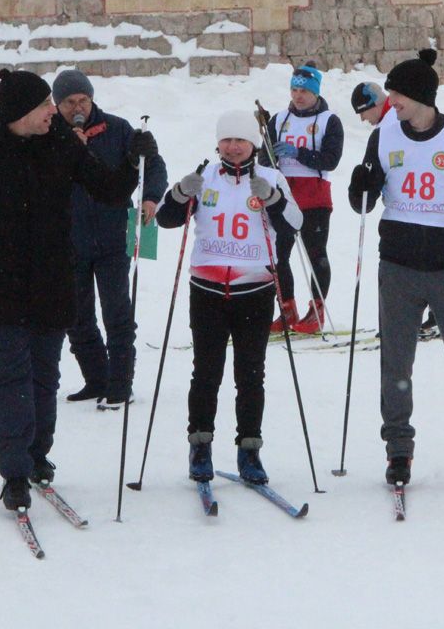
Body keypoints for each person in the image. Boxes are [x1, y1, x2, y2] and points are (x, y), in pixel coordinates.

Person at [0, 69, 156, 511]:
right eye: (45, 105)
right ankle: (15, 471)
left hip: (52, 283)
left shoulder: (61, 144)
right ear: (21, 113)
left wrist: (136, 161)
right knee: (10, 381)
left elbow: (111, 190)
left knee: (44, 378)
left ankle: (38, 456)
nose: (53, 112)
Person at [347, 49, 444, 485]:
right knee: (396, 366)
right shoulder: (384, 136)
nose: (389, 101)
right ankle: (398, 450)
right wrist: (359, 187)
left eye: (397, 95)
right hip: (397, 266)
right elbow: (366, 199)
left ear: (420, 97)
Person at [156, 109, 302, 485]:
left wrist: (272, 199)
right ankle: (200, 445)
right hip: (207, 288)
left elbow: (294, 225)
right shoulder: (204, 175)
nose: (234, 147)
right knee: (206, 371)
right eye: (227, 140)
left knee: (250, 373)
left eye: (241, 140)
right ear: (218, 143)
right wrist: (178, 193)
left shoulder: (271, 177)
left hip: (254, 289)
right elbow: (166, 219)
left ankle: (249, 450)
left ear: (254, 143)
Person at [52, 69, 168, 408]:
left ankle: (119, 384)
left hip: (112, 236)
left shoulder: (116, 129)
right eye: (70, 102)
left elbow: (152, 165)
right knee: (75, 316)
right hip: (67, 240)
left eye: (84, 100)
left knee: (117, 313)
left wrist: (150, 196)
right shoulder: (50, 134)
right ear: (58, 105)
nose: (78, 108)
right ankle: (96, 378)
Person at [262, 62, 344, 335]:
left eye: (304, 91)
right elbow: (265, 158)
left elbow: (331, 160)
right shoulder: (277, 119)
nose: (298, 96)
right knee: (278, 255)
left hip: (315, 197)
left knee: (315, 254)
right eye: (294, 89)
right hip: (284, 196)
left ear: (316, 92)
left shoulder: (329, 121)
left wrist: (298, 153)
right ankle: (287, 308)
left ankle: (316, 309)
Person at [352, 80, 438, 335]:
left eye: (362, 112)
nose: (362, 119)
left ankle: (409, 320)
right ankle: (430, 315)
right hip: (415, 199)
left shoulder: (391, 123)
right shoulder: (392, 119)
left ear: (375, 104)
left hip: (415, 202)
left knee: (413, 262)